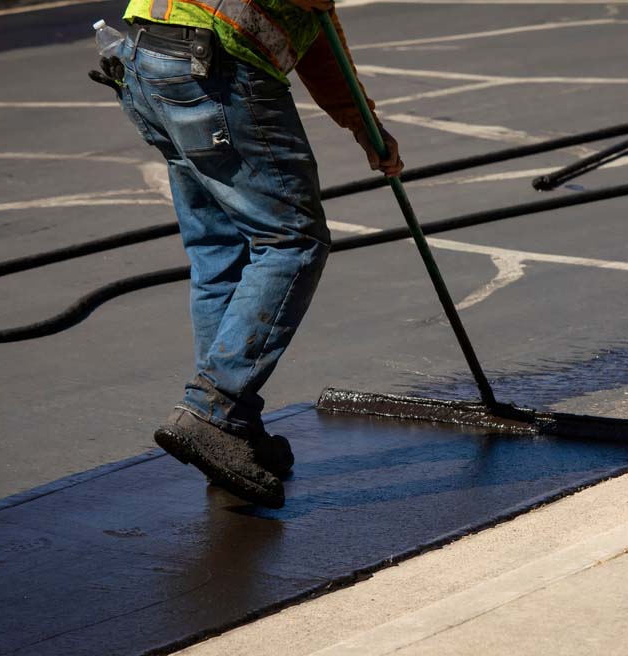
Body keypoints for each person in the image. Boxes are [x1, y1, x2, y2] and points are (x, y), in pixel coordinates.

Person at [90, 0, 403, 508]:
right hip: (215, 69)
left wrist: (364, 125)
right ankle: (214, 409)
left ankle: (229, 425)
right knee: (292, 240)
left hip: (153, 60)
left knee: (221, 251)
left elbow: (317, 42)